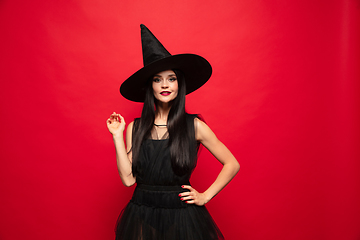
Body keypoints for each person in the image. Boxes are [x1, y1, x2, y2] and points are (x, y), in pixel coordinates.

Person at [107, 24, 240, 240]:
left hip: (181, 215)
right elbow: (128, 180)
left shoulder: (194, 126)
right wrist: (117, 136)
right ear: (150, 86)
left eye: (171, 78)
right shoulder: (136, 127)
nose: (164, 85)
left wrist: (205, 196)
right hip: (142, 212)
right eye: (157, 79)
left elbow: (232, 164)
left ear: (180, 85)